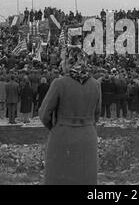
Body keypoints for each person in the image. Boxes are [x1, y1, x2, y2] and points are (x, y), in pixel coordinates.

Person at [39, 46, 101, 185]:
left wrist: (55, 127)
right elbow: (97, 115)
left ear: (68, 62)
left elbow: (44, 114)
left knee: (60, 178)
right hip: (88, 136)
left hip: (62, 136)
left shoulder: (59, 83)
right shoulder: (96, 85)